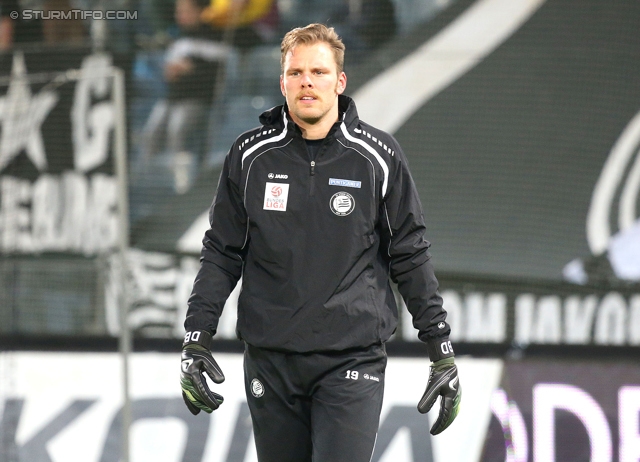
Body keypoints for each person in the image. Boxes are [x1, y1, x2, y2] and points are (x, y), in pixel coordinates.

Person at [179, 23, 461, 461]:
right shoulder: (248, 156)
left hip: (351, 360)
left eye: (318, 72)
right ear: (282, 83)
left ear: (340, 81)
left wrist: (440, 349)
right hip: (270, 362)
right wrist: (196, 338)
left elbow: (409, 253)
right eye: (296, 73)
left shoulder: (378, 157)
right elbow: (221, 252)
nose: (306, 81)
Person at [140, 0, 228, 193]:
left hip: (198, 99)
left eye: (186, 11)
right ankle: (148, 182)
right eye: (179, 11)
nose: (181, 15)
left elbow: (219, 74)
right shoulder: (177, 38)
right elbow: (168, 72)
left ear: (201, 11)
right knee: (150, 133)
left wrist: (191, 69)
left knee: (178, 129)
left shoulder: (216, 34)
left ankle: (182, 186)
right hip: (172, 99)